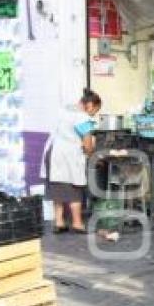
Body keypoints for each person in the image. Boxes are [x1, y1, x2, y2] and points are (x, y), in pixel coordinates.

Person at [41, 89, 101, 234]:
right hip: (67, 156)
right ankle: (77, 223)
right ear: (91, 105)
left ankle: (59, 222)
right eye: (96, 110)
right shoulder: (82, 118)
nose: (94, 114)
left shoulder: (65, 112)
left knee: (58, 188)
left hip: (53, 153)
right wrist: (92, 155)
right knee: (75, 188)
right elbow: (87, 144)